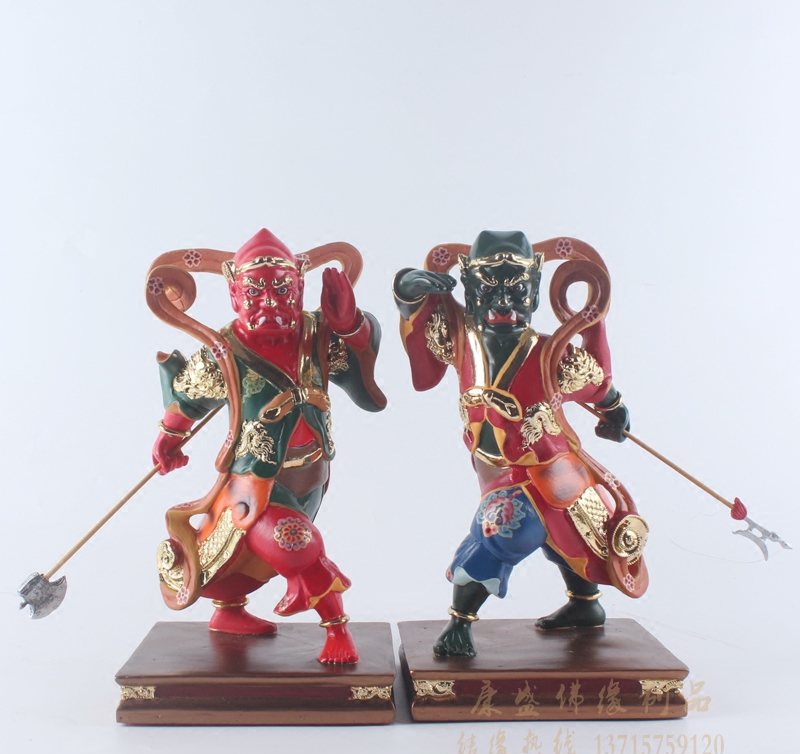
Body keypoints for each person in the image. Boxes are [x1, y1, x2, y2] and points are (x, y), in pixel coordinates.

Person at [393, 230, 649, 657]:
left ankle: (460, 623)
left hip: (548, 469)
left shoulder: (552, 354)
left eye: (515, 291)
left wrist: (615, 410)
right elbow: (422, 332)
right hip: (494, 467)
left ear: (534, 293)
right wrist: (409, 292)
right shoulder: (461, 340)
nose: (502, 304)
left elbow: (598, 385)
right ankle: (585, 605)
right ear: (469, 291)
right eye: (488, 291)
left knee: (502, 532)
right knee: (560, 539)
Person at [147, 229, 386, 663]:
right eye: (254, 292)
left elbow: (363, 381)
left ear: (300, 289)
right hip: (256, 480)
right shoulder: (223, 351)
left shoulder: (317, 336)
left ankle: (229, 611)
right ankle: (336, 630)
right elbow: (187, 397)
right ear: (234, 296)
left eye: (282, 290)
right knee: (294, 543)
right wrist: (170, 437)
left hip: (312, 473)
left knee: (251, 556)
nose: (270, 303)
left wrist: (351, 323)